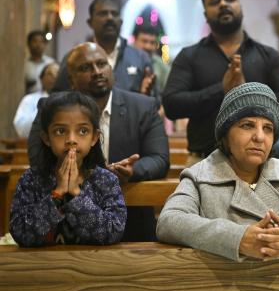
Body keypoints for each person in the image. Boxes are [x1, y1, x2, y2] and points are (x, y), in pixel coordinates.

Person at [156, 82, 279, 261]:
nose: (259, 137)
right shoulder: (200, 176)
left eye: (268, 128)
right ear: (226, 133)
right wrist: (237, 238)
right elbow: (169, 222)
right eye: (247, 125)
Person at [29, 43, 169, 241]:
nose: (96, 72)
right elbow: (37, 156)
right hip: (65, 224)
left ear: (110, 69)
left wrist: (132, 170)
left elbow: (159, 158)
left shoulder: (143, 106)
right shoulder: (50, 108)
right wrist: (83, 179)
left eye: (102, 64)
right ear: (71, 79)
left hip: (131, 221)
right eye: (86, 68)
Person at [163, 0, 279, 166]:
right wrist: (221, 90)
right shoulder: (190, 56)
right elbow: (172, 105)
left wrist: (246, 91)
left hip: (258, 161)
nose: (223, 4)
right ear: (205, 14)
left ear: (240, 7)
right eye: (215, 1)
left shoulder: (268, 55)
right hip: (203, 161)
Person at [10, 91, 126, 246]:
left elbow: (113, 232)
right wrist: (57, 194)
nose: (71, 140)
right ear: (46, 138)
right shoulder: (31, 179)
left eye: (83, 131)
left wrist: (76, 194)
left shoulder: (106, 180)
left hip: (92, 266)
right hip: (42, 267)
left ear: (94, 138)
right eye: (60, 131)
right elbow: (20, 233)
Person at [54, 0, 156, 96]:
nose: (110, 18)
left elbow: (154, 100)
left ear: (120, 22)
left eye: (114, 14)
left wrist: (146, 95)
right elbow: (58, 96)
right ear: (90, 22)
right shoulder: (74, 57)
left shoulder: (140, 58)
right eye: (103, 14)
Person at [14, 63, 59, 137]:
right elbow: (21, 129)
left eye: (57, 73)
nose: (54, 76)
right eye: (50, 74)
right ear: (42, 79)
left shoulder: (69, 100)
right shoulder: (29, 100)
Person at [133, 24, 171, 93]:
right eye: (144, 41)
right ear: (134, 40)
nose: (148, 46)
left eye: (152, 42)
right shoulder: (124, 59)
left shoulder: (162, 66)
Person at [24, 30, 55, 94]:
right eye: (35, 41)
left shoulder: (51, 63)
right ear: (28, 44)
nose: (38, 45)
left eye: (41, 42)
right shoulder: (24, 65)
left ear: (45, 45)